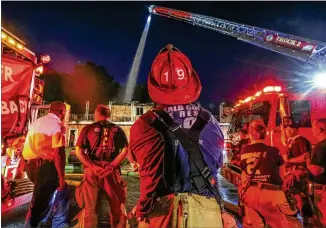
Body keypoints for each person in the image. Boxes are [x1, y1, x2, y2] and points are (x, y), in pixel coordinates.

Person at [128, 44, 226, 228]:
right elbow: (217, 166)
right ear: (190, 82)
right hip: (207, 214)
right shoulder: (210, 121)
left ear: (155, 85)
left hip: (160, 213)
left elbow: (143, 171)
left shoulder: (142, 124)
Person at [240, 119, 302, 228]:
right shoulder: (273, 151)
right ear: (264, 134)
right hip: (272, 193)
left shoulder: (244, 150)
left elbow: (244, 173)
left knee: (255, 225)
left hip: (251, 192)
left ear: (251, 134)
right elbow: (282, 171)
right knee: (290, 224)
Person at [75, 104, 128, 228]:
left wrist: (92, 166)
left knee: (90, 209)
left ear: (96, 114)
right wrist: (112, 166)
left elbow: (79, 151)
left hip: (92, 171)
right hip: (112, 171)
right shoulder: (118, 130)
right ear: (109, 115)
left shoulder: (87, 129)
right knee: (117, 209)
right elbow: (125, 150)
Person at [22, 101, 69, 228]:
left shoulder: (36, 122)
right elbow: (59, 153)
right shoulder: (56, 125)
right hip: (46, 168)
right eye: (65, 112)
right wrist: (61, 177)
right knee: (40, 207)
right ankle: (55, 224)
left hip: (31, 166)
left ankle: (56, 222)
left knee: (45, 199)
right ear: (62, 112)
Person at [287, 119, 326, 227]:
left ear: (319, 129)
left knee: (322, 220)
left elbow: (316, 170)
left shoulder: (321, 146)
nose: (312, 131)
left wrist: (308, 161)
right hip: (320, 189)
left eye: (313, 128)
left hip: (322, 191)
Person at [281, 118, 313, 225]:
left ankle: (294, 221)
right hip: (294, 173)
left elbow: (305, 156)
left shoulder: (300, 141)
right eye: (286, 128)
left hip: (299, 173)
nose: (288, 130)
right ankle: (307, 222)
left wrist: (289, 160)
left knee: (287, 194)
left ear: (297, 129)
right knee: (302, 197)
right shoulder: (292, 141)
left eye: (292, 128)